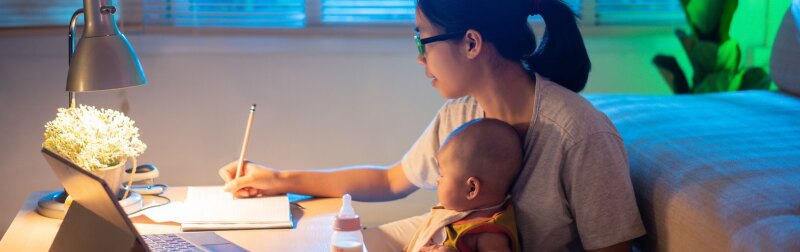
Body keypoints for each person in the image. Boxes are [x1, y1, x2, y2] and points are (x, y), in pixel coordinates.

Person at [219, 0, 645, 250]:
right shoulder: (460, 114)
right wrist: (278, 179)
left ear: (472, 43)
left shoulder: (579, 133)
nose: (419, 56)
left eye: (422, 39)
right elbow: (391, 180)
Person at [404, 118, 522, 252]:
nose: (437, 180)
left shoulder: (489, 235)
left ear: (471, 189)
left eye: (442, 175)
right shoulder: (454, 212)